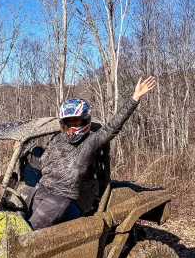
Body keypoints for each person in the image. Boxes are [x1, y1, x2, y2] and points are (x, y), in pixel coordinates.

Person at [28, 77, 156, 230]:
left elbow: (112, 127)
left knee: (30, 231)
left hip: (61, 196)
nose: (72, 126)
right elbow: (42, 163)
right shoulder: (57, 139)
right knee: (21, 221)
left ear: (85, 120)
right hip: (42, 189)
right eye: (69, 122)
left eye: (76, 121)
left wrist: (134, 99)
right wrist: (25, 154)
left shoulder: (90, 142)